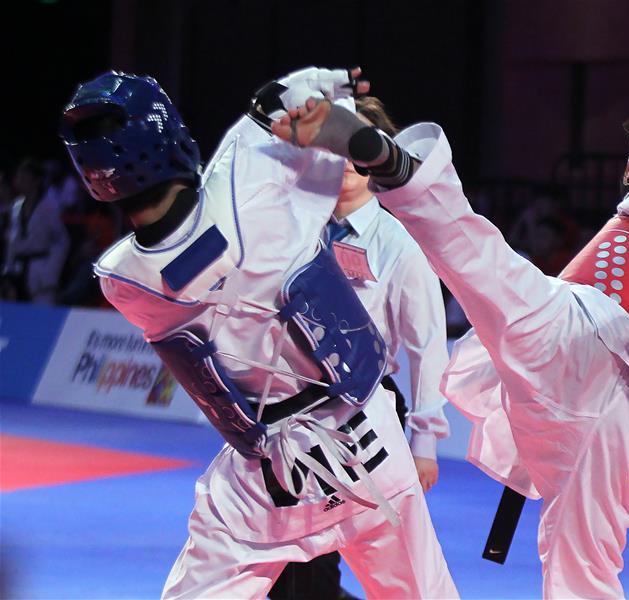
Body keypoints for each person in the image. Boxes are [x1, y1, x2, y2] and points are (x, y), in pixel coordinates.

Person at [272, 80, 629, 598]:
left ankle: (401, 169)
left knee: (480, 259)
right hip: (601, 421)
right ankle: (397, 168)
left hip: (591, 352)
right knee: (582, 576)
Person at [59, 67, 457, 599]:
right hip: (372, 449)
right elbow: (298, 103)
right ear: (171, 135)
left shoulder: (122, 281)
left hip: (267, 486)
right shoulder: (255, 188)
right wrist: (330, 98)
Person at [270, 96, 451, 600]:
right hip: (291, 415)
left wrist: (425, 443)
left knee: (400, 575)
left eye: (356, 148)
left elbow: (428, 348)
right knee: (295, 564)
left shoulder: (400, 243)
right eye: (333, 147)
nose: (345, 161)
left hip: (369, 412)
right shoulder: (293, 231)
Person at [1, 157, 69, 303]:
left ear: (36, 181)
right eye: (19, 176)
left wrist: (51, 272)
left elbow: (62, 241)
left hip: (42, 268)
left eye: (25, 177)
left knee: (43, 312)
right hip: (19, 268)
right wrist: (8, 270)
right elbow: (12, 242)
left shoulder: (49, 207)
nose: (20, 180)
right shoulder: (16, 207)